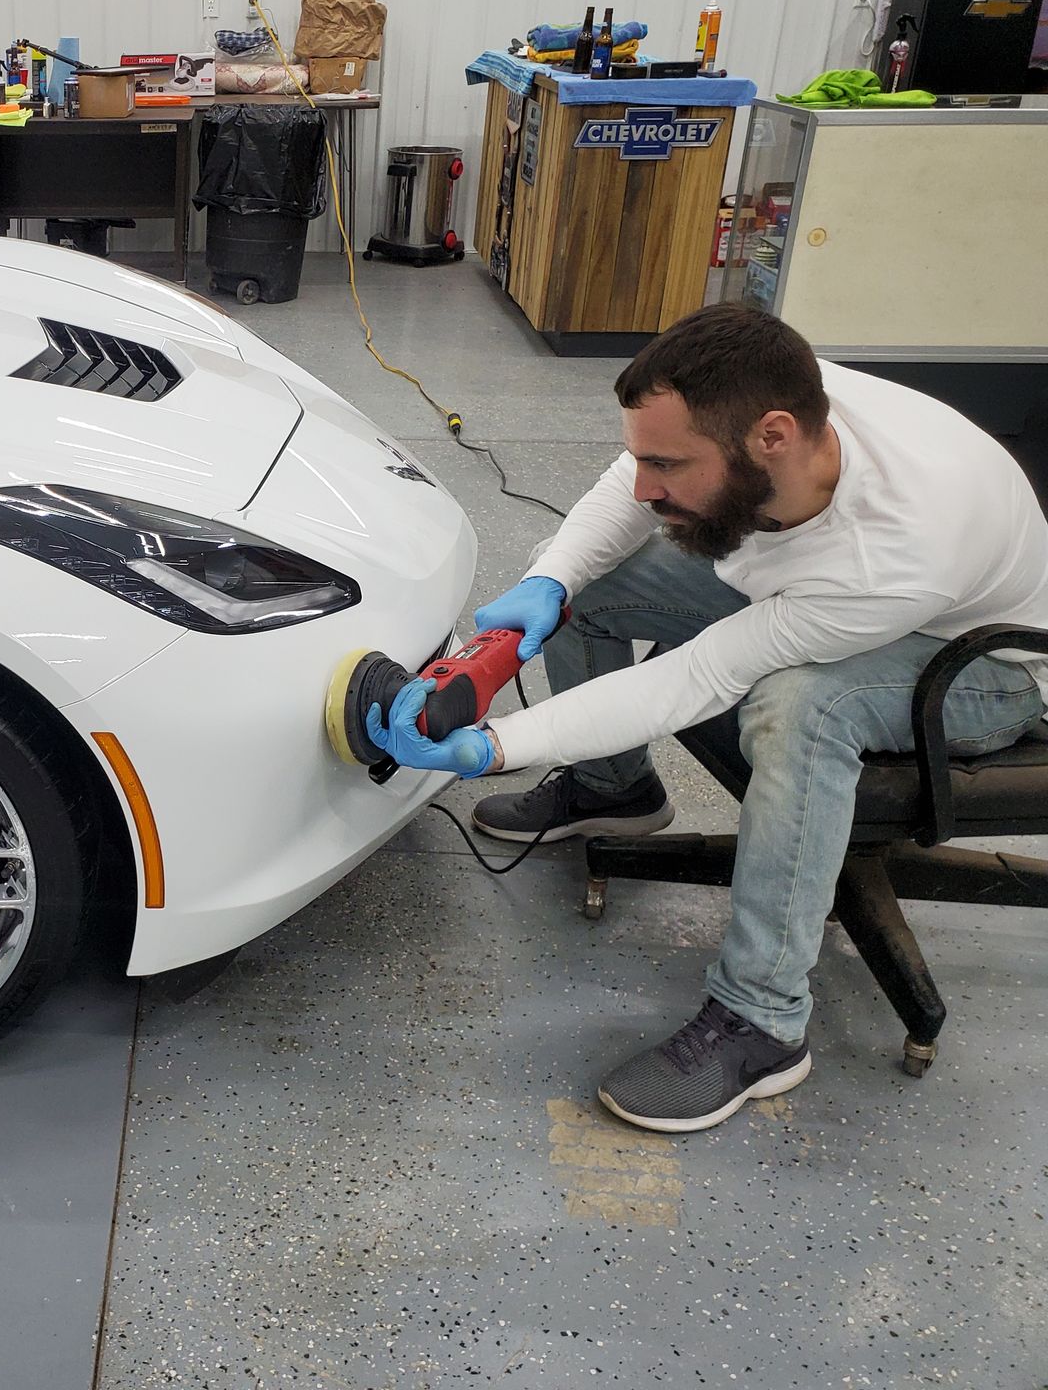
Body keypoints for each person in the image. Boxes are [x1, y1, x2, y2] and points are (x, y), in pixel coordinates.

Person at [366, 304, 1048, 1134]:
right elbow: (632, 485)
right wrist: (554, 580)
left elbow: (704, 675)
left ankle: (763, 1021)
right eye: (641, 455)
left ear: (773, 438)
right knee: (595, 588)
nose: (647, 485)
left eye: (668, 465)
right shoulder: (776, 391)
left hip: (976, 659)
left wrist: (497, 746)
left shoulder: (895, 555)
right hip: (825, 583)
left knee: (801, 705)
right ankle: (612, 788)